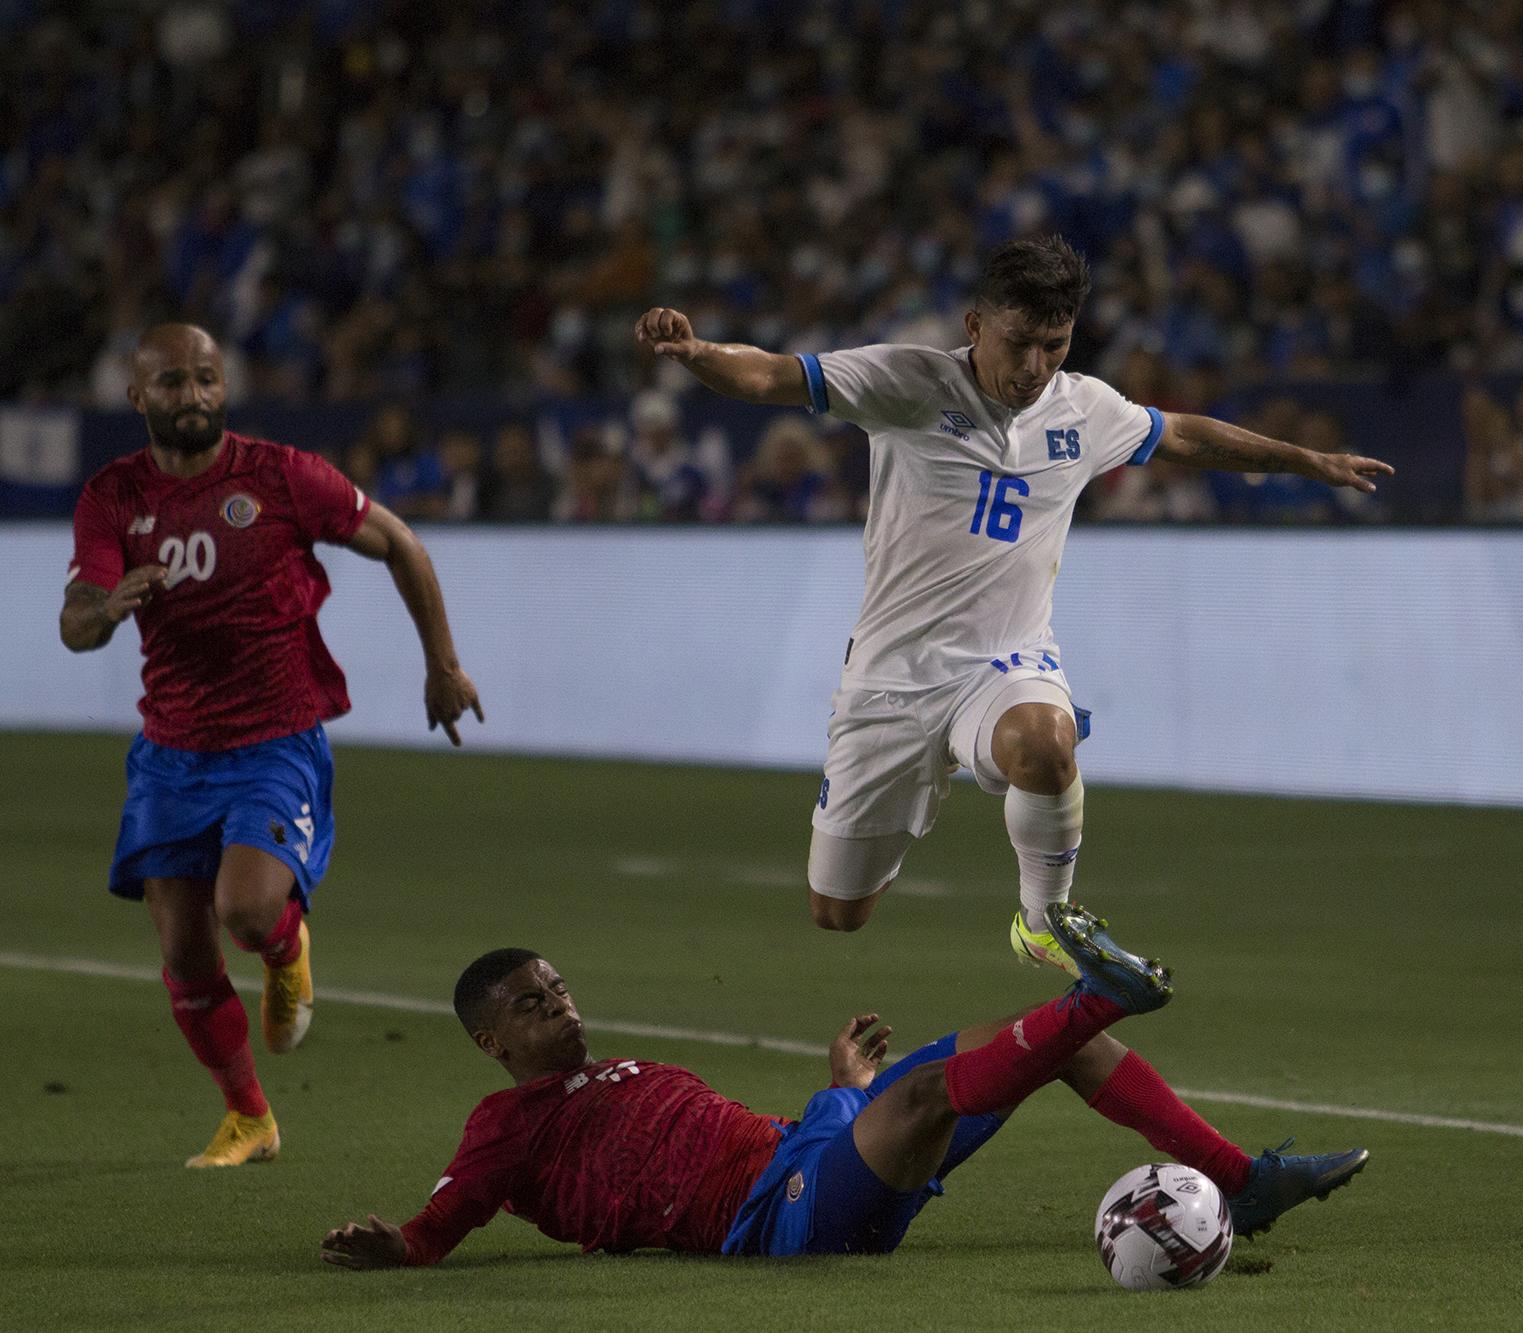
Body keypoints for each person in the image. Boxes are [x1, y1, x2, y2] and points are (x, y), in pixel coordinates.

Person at [633, 235, 1392, 973]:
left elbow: (1183, 433)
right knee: (837, 911)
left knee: (1046, 741)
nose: (1035, 367)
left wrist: (1307, 461)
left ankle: (1043, 921)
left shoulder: (1085, 409)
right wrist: (700, 355)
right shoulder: (909, 382)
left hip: (1005, 663)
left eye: (1056, 345)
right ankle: (926, 778)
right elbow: (771, 377)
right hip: (893, 678)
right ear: (975, 326)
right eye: (1020, 341)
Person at [319, 905, 1367, 1269]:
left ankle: (1241, 1181)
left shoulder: (637, 1072)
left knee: (1051, 1057)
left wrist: (838, 1090)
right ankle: (1098, 994)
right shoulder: (508, 1125)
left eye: (558, 987)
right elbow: (444, 1221)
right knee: (922, 1097)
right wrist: (400, 1244)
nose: (561, 1005)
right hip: (773, 1225)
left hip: (809, 1164)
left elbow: (784, 1138)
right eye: (533, 1003)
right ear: (488, 1039)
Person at [59, 323, 484, 1168]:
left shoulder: (282, 477)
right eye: (173, 383)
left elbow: (401, 541)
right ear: (138, 397)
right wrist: (108, 609)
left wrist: (443, 665)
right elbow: (76, 622)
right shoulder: (112, 496)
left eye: (208, 379)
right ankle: (249, 1116)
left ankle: (287, 949)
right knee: (183, 951)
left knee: (246, 909)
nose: (194, 397)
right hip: (170, 751)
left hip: (273, 738)